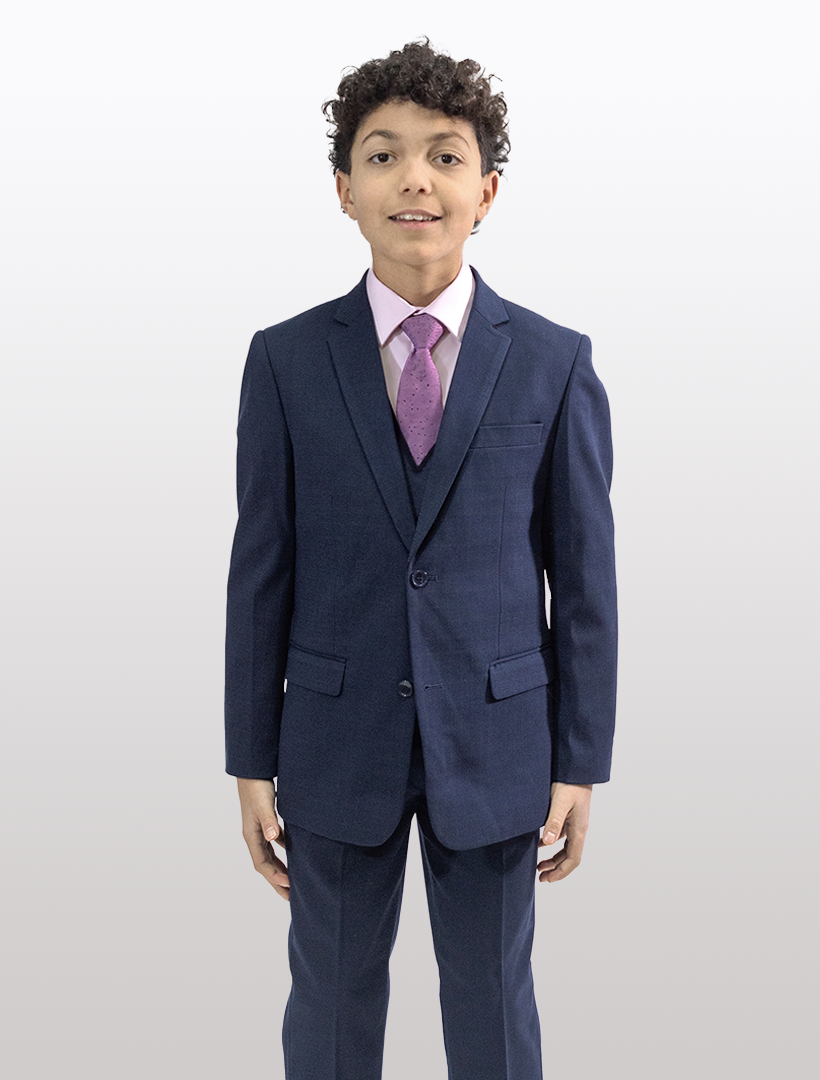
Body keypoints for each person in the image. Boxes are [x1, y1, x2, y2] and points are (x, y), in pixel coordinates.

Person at [225, 38, 617, 1080]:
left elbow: (582, 583)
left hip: (496, 743)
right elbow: (259, 566)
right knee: (330, 1005)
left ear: (485, 190)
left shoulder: (552, 361)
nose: (414, 179)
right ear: (342, 189)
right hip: (333, 737)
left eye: (444, 157)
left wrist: (581, 756)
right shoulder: (284, 361)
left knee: (493, 1001)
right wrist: (248, 753)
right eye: (383, 155)